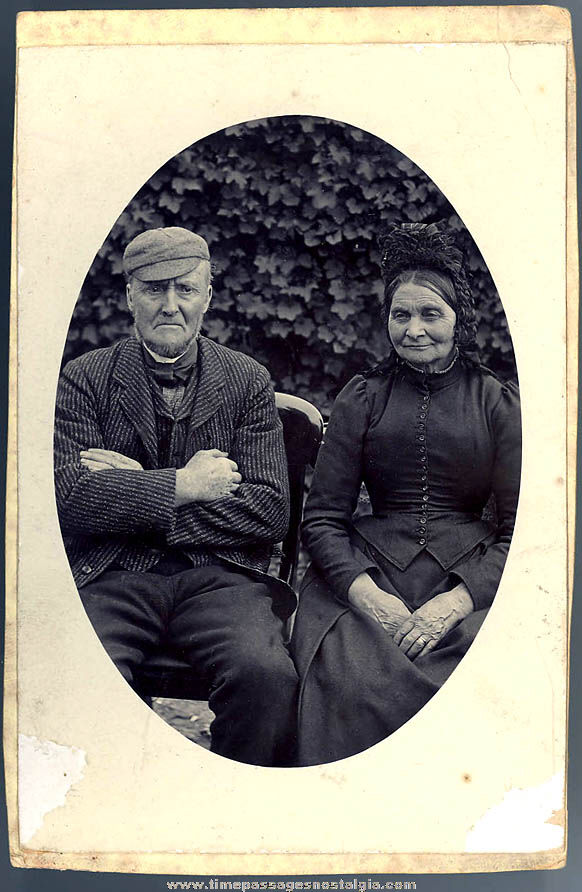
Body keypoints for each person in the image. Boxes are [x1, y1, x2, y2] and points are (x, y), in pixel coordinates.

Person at [54, 226, 298, 767]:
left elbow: (267, 510)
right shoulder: (85, 379)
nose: (170, 306)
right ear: (129, 296)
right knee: (78, 671)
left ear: (207, 296)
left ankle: (232, 805)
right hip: (113, 574)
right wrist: (182, 485)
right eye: (153, 289)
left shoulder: (246, 381)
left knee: (265, 675)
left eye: (185, 289)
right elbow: (70, 499)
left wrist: (132, 489)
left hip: (220, 577)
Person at [290, 221, 522, 766]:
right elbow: (322, 520)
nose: (415, 329)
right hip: (368, 574)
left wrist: (453, 603)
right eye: (401, 315)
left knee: (478, 674)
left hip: (469, 579)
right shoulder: (362, 397)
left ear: (458, 319)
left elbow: (523, 530)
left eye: (430, 314)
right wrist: (371, 598)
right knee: (347, 676)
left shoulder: (496, 402)